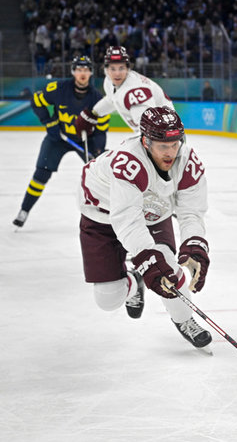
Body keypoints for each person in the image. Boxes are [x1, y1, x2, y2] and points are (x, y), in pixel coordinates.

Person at [78, 106, 212, 350]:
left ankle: (185, 319)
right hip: (101, 215)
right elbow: (127, 219)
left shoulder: (187, 161)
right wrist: (146, 260)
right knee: (108, 300)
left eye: (175, 144)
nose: (171, 152)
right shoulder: (129, 162)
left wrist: (194, 244)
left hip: (151, 207)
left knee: (168, 264)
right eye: (163, 146)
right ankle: (133, 283)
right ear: (146, 141)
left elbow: (191, 211)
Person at [12, 56, 110, 228]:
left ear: (90, 73)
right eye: (79, 69)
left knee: (101, 176)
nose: (82, 73)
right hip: (58, 137)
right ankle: (24, 210)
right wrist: (49, 123)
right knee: (41, 173)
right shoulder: (58, 89)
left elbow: (101, 130)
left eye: (86, 70)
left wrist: (99, 149)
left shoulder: (98, 100)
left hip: (85, 140)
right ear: (73, 72)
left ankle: (107, 214)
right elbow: (36, 101)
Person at [79, 46, 174, 133]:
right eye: (112, 68)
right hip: (149, 135)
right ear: (106, 70)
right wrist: (94, 113)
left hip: (165, 136)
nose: (117, 74)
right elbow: (112, 100)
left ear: (128, 69)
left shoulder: (134, 90)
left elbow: (150, 127)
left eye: (121, 68)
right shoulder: (109, 82)